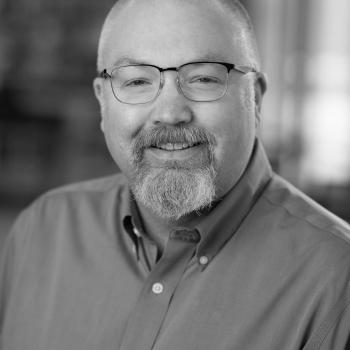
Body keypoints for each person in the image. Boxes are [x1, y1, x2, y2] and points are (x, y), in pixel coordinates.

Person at [1, 0, 350, 349]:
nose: (169, 113)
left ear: (255, 99)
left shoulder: (336, 280)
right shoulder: (41, 231)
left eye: (203, 79)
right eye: (137, 80)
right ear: (102, 103)